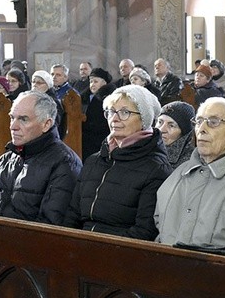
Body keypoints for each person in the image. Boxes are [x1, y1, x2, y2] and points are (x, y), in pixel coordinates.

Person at [155, 98, 225, 247]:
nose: (201, 128)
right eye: (199, 121)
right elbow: (159, 227)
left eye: (213, 122)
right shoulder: (178, 174)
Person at [65, 85, 172, 239]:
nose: (114, 119)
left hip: (119, 253)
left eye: (124, 112)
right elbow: (72, 215)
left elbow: (144, 231)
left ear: (144, 118)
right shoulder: (94, 160)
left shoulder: (156, 169)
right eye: (111, 111)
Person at [0, 91, 82, 224]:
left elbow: (50, 226)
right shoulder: (6, 159)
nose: (13, 127)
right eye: (12, 118)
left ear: (46, 124)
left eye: (23, 119)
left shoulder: (65, 163)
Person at [81, 67, 116, 157]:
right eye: (91, 82)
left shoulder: (109, 98)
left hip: (100, 139)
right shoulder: (83, 97)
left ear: (104, 83)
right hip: (84, 139)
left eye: (95, 81)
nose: (92, 84)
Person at [157, 101, 195, 169]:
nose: (161, 130)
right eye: (160, 122)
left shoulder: (189, 163)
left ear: (184, 133)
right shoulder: (145, 147)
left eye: (171, 125)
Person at [31, 70, 65, 137]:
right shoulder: (30, 98)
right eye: (33, 82)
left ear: (48, 85)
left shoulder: (53, 102)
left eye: (39, 83)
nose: (35, 85)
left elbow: (54, 124)